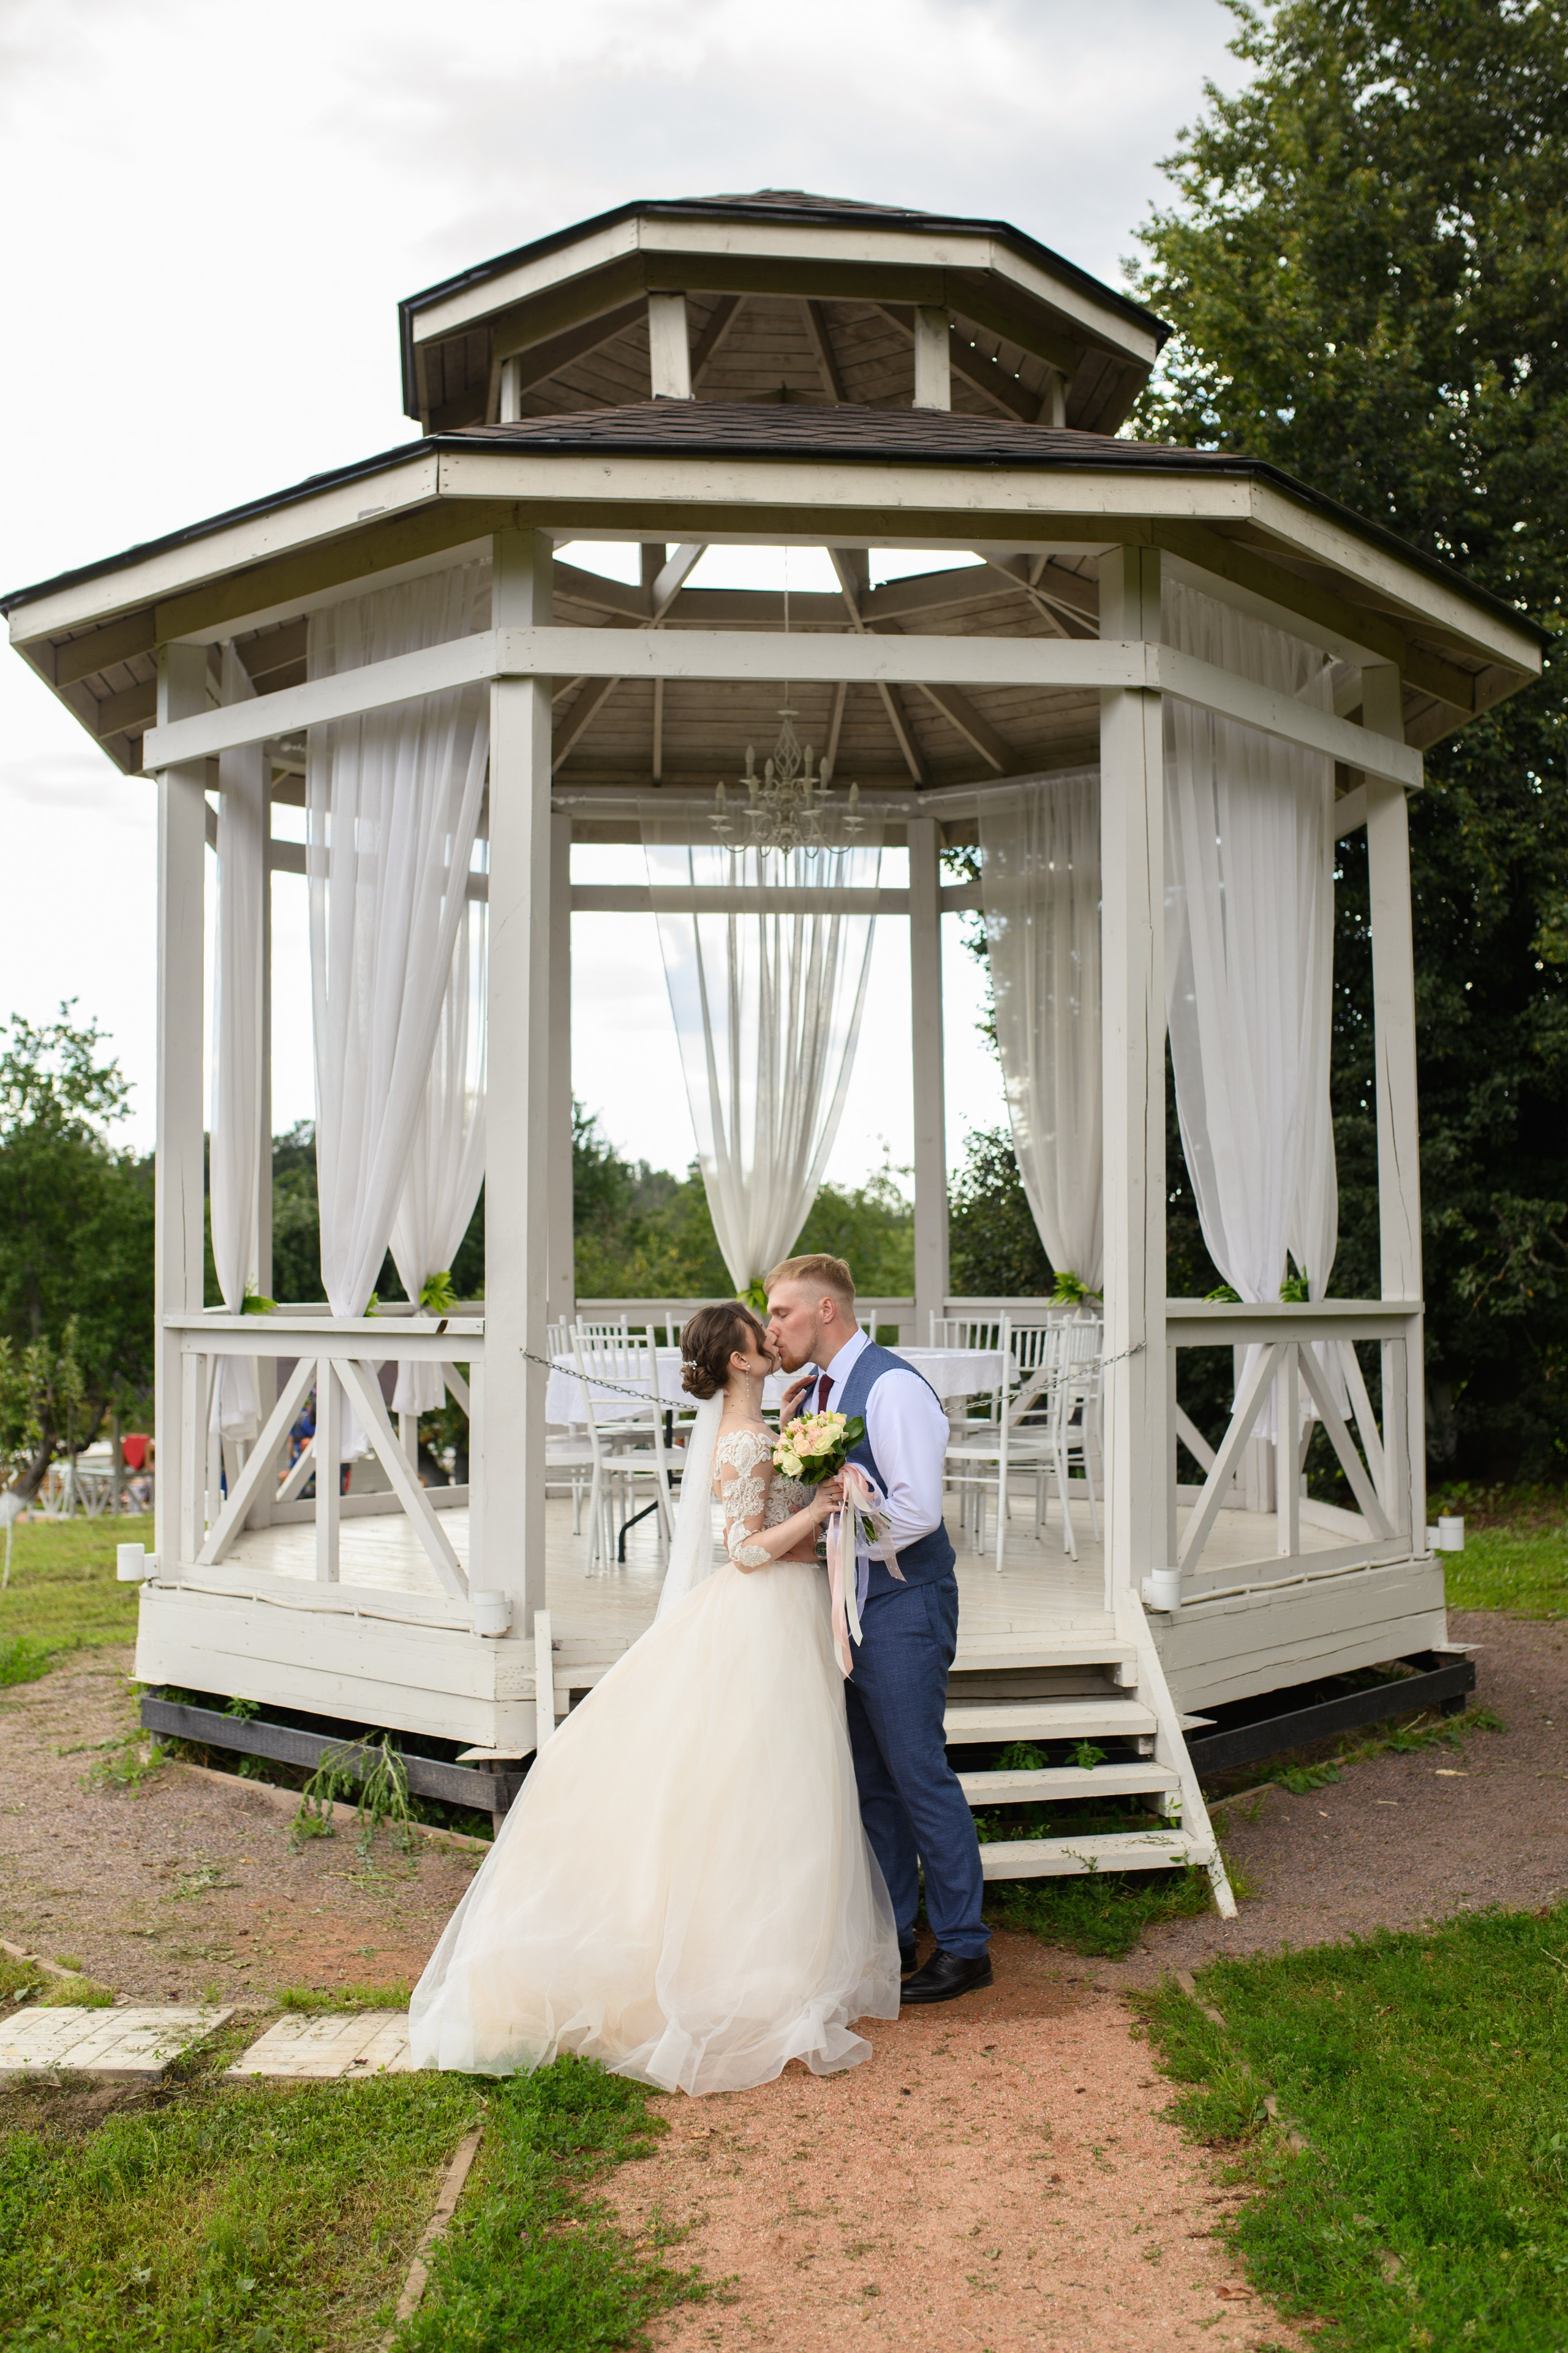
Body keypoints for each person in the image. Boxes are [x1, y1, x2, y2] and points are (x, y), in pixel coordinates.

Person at [409, 1300, 899, 2094]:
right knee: (763, 1787)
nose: (771, 1335)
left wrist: (795, 1446)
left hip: (786, 1614)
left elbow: (763, 1507)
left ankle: (773, 1951)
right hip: (761, 1618)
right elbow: (743, 1551)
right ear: (739, 1358)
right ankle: (749, 1962)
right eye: (760, 1330)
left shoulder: (756, 1427)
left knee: (772, 1789)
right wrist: (815, 1507)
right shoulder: (742, 1440)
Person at [766, 1254, 992, 2005]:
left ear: (826, 1310)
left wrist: (829, 1543)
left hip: (902, 1604)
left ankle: (964, 1945)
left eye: (782, 1312)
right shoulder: (817, 1393)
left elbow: (916, 1509)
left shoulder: (892, 1386)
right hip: (848, 1606)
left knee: (917, 1772)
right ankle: (892, 1933)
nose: (772, 1329)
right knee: (870, 1779)